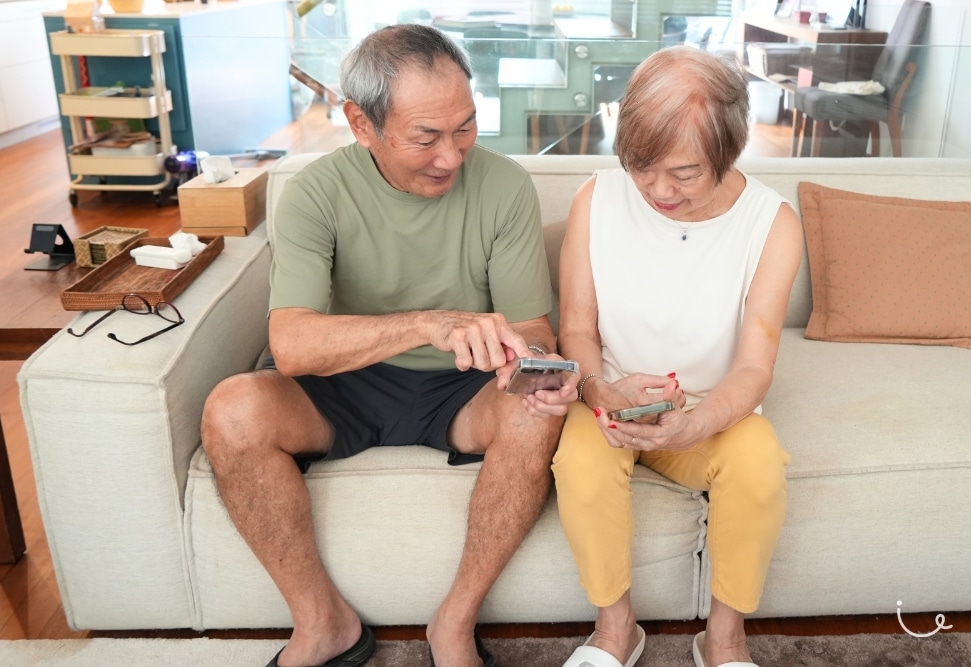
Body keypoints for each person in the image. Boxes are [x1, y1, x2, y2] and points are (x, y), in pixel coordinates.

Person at [200, 24, 575, 667]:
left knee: (534, 406)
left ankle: (453, 625)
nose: (451, 156)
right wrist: (426, 323)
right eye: (426, 137)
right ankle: (324, 625)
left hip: (461, 388)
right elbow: (290, 344)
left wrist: (526, 355)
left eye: (464, 128)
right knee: (232, 409)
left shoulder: (505, 186)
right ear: (360, 123)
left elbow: (537, 331)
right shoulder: (314, 193)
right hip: (339, 385)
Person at [553, 46, 803, 667]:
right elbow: (577, 328)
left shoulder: (771, 224)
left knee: (759, 461)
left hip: (709, 412)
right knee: (578, 462)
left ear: (730, 151)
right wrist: (597, 391)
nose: (659, 190)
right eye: (642, 166)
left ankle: (723, 639)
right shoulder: (595, 200)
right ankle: (616, 632)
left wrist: (695, 423)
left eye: (685, 173)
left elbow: (753, 367)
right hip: (610, 403)